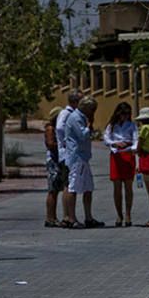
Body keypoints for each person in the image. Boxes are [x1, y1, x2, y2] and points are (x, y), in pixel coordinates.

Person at [64, 96, 104, 229]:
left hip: (84, 157)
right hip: (77, 158)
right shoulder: (76, 118)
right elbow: (82, 136)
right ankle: (71, 218)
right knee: (73, 187)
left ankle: (88, 217)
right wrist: (89, 126)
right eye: (92, 110)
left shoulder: (81, 117)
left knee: (88, 188)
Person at [103, 102, 138, 227]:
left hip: (128, 154)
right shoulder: (112, 126)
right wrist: (114, 143)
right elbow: (106, 139)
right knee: (117, 187)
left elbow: (135, 139)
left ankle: (128, 213)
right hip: (116, 155)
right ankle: (119, 214)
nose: (125, 116)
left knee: (128, 186)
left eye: (128, 114)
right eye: (123, 114)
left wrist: (133, 148)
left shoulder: (132, 125)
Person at [56, 90, 82, 227]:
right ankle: (68, 216)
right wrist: (67, 141)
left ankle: (67, 215)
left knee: (68, 185)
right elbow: (60, 128)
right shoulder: (66, 114)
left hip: (70, 154)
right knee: (69, 185)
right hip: (67, 154)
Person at [44, 106, 64, 227]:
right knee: (53, 190)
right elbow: (51, 144)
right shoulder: (50, 129)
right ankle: (50, 217)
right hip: (53, 160)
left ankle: (52, 216)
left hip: (57, 160)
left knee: (56, 189)